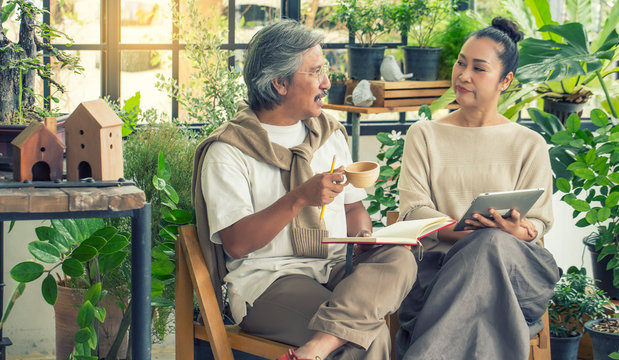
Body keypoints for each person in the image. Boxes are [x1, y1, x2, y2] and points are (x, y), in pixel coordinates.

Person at [191, 20, 416, 360]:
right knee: (366, 338)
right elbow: (236, 243)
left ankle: (317, 347)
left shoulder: (329, 133)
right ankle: (328, 341)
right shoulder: (228, 150)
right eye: (315, 72)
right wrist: (298, 198)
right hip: (269, 281)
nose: (327, 83)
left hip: (337, 268)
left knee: (401, 257)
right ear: (280, 83)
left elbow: (353, 208)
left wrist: (363, 238)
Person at [395, 17, 561, 360]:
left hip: (517, 274)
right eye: (460, 62)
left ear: (506, 80)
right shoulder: (424, 135)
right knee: (487, 244)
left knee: (492, 243)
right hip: (438, 271)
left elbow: (539, 223)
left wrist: (518, 230)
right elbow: (414, 211)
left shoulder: (529, 143)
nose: (463, 75)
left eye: (478, 68)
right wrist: (478, 235)